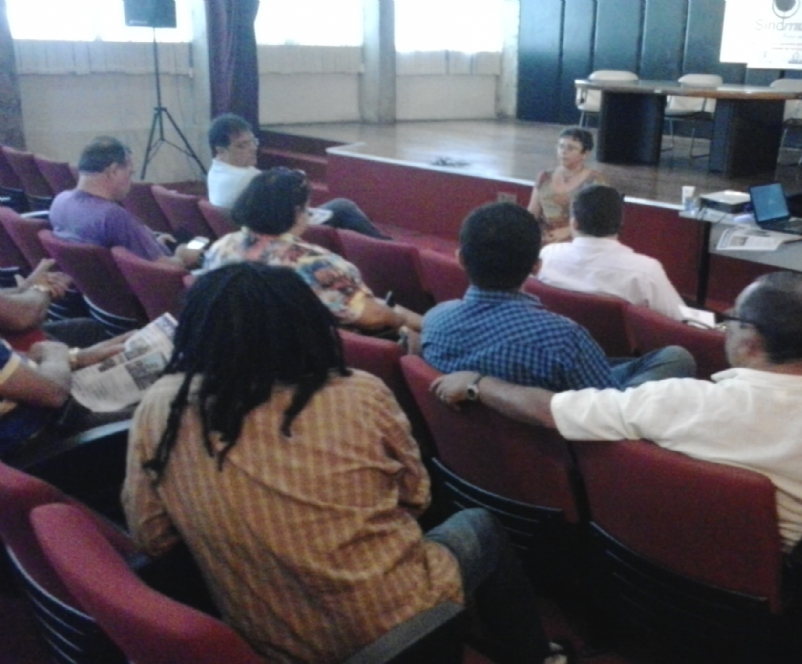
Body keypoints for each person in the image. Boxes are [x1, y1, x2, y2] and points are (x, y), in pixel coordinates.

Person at [122, 262, 572, 664]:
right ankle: (537, 656)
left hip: (272, 640)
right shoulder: (358, 392)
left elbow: (152, 536)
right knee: (480, 526)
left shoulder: (161, 406)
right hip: (393, 620)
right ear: (305, 324)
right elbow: (415, 497)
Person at [432, 272, 802, 551]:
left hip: (655, 553)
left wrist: (478, 383)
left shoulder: (676, 400)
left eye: (732, 320)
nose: (726, 329)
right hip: (777, 578)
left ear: (752, 342)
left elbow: (548, 411)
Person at [419, 201, 695, 392]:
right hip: (572, 438)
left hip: (475, 449)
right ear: (536, 267)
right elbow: (605, 411)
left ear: (460, 259)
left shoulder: (435, 321)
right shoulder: (564, 339)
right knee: (678, 358)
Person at [203, 167, 421, 334]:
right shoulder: (312, 263)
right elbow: (374, 317)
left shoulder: (221, 247)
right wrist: (399, 320)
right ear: (296, 212)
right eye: (307, 208)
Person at [206, 113, 390, 238]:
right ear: (221, 150)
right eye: (242, 145)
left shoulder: (215, 170)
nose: (252, 148)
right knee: (343, 207)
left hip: (251, 230)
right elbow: (288, 204)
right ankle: (383, 246)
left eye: (252, 141)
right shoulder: (245, 178)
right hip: (277, 232)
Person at [48, 136, 202, 269]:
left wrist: (151, 245)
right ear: (113, 171)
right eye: (130, 173)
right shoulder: (112, 216)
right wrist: (182, 256)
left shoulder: (60, 201)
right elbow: (164, 270)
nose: (130, 181)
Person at [537, 184, 685, 320]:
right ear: (621, 224)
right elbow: (682, 320)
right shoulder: (646, 271)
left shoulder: (547, 256)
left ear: (574, 224)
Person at [0, 332, 128, 462]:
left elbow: (20, 364)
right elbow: (53, 394)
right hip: (36, 440)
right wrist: (55, 353)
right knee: (140, 420)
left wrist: (73, 357)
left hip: (50, 415)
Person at [527, 127, 608, 244]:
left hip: (577, 241)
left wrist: (568, 231)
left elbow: (599, 220)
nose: (563, 152)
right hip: (544, 240)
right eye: (561, 146)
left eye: (570, 148)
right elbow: (532, 214)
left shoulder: (596, 181)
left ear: (585, 154)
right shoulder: (544, 177)